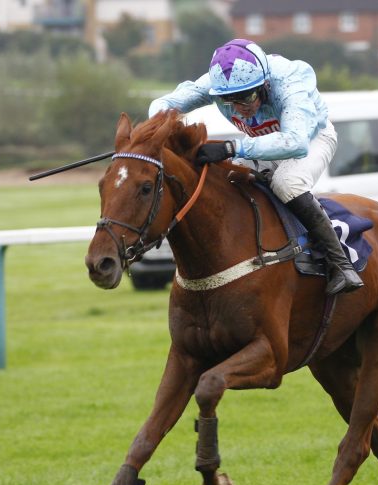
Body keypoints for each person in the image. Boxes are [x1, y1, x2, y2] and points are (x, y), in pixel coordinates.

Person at [148, 38, 363, 295]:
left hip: (312, 138)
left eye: (247, 96)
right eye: (230, 100)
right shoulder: (216, 82)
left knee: (287, 183)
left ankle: (340, 264)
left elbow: (296, 142)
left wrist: (231, 148)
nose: (241, 108)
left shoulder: (289, 83)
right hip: (264, 143)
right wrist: (167, 130)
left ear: (265, 84)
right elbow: (160, 105)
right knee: (225, 180)